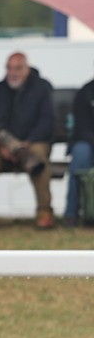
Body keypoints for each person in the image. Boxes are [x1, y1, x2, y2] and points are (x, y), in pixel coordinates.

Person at [0, 53, 57, 229]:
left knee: (38, 155)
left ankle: (44, 211)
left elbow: (47, 123)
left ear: (27, 69)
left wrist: (27, 143)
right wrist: (3, 145)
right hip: (0, 146)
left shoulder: (41, 90)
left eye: (17, 68)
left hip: (32, 143)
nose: (12, 72)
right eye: (9, 68)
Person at [65, 75, 94, 226]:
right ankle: (71, 214)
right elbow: (81, 127)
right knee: (81, 153)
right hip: (88, 142)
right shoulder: (87, 92)